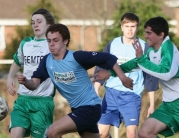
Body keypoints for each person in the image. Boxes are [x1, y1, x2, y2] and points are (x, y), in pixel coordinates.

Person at [17, 23, 133, 138]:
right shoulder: (47, 61)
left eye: (56, 40)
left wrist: (123, 78)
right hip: (78, 109)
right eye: (49, 41)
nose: (51, 44)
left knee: (52, 132)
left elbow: (108, 58)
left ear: (65, 41)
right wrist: (26, 81)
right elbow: (34, 84)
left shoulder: (77, 57)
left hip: (90, 107)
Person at [96, 16, 179, 138]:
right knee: (145, 133)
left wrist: (141, 59)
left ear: (161, 34)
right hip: (168, 105)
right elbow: (134, 64)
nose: (145, 36)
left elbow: (166, 73)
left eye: (149, 33)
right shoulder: (151, 51)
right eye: (145, 33)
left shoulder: (168, 48)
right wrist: (110, 73)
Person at [6, 8, 55, 138]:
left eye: (39, 21)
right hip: (23, 100)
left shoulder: (53, 46)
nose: (35, 25)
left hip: (43, 102)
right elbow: (17, 61)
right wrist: (10, 77)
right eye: (33, 22)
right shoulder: (25, 43)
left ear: (49, 24)